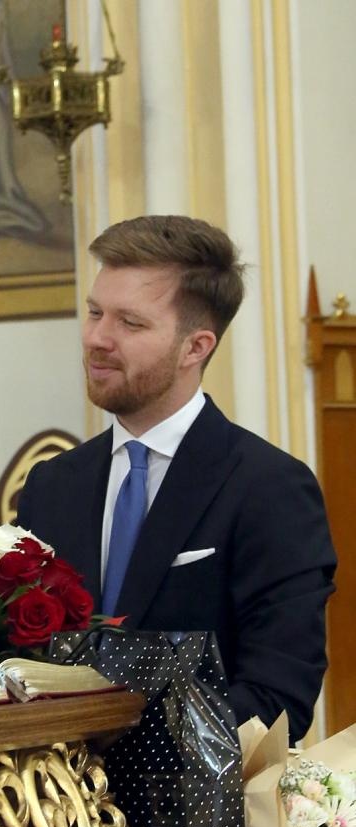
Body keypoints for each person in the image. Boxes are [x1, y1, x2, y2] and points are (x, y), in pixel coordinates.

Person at [17, 214, 336, 744]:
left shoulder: (269, 487)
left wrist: (117, 746)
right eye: (95, 312)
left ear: (196, 347)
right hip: (51, 791)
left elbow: (278, 698)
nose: (97, 338)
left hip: (194, 793)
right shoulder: (53, 485)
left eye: (130, 323)